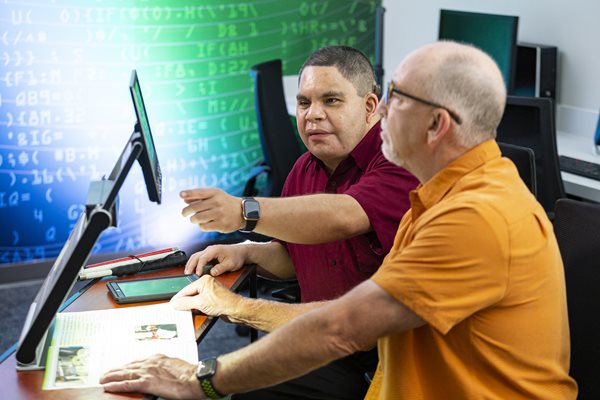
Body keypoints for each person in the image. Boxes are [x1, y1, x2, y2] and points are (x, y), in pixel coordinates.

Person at [101, 41, 578, 399]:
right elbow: (344, 296)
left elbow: (343, 326)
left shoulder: (474, 216)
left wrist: (203, 375)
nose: (383, 111)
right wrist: (246, 252)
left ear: (436, 126)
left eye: (396, 99)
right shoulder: (442, 195)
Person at [180, 45, 418, 399]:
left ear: (370, 107)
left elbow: (344, 216)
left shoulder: (398, 161)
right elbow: (298, 258)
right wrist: (248, 253)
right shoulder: (304, 168)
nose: (312, 115)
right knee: (242, 379)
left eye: (331, 101)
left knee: (243, 387)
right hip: (322, 335)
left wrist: (245, 213)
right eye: (304, 103)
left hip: (384, 352)